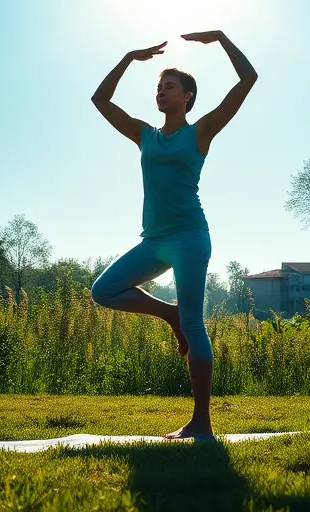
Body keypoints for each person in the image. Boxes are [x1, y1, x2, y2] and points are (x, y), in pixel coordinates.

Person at [89, 30, 258, 439]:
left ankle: (201, 423)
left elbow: (248, 79)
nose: (161, 91)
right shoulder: (144, 134)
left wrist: (220, 38)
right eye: (158, 87)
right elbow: (100, 100)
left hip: (189, 238)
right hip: (154, 240)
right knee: (103, 290)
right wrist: (129, 56)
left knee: (195, 324)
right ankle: (170, 315)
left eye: (170, 87)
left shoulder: (199, 132)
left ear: (187, 97)